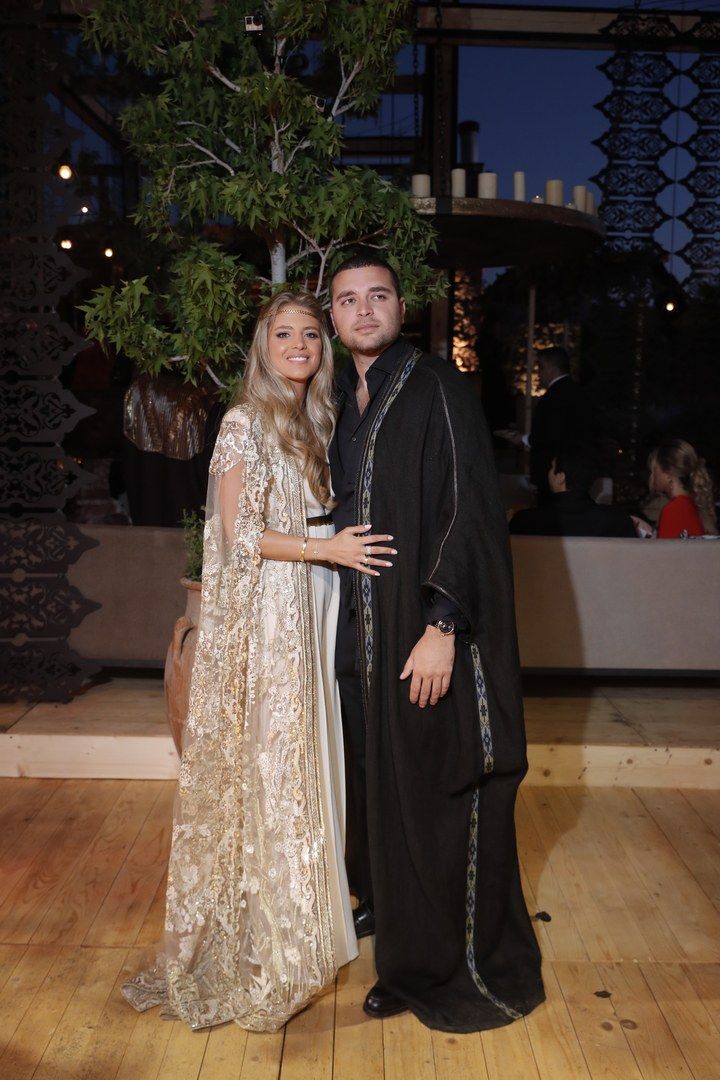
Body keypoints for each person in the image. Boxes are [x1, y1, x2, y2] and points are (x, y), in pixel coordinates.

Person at [122, 290, 398, 1032]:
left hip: (319, 595)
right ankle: (266, 938)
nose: (301, 344)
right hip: (281, 603)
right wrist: (326, 549)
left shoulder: (318, 418)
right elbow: (237, 533)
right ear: (263, 345)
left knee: (311, 761)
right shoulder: (243, 422)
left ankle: (308, 925)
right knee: (275, 764)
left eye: (312, 333)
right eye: (286, 333)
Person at [328, 253, 544, 1032]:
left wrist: (444, 626)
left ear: (399, 306)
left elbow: (470, 509)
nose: (363, 310)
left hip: (417, 633)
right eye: (348, 299)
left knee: (427, 799)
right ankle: (387, 909)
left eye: (376, 296)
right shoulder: (338, 399)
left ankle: (427, 967)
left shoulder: (434, 385)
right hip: (357, 636)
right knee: (374, 790)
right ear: (333, 317)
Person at [498, 346, 594, 497]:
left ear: (550, 368)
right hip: (575, 470)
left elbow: (550, 434)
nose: (538, 374)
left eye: (539, 368)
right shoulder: (577, 392)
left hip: (554, 472)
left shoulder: (555, 396)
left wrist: (523, 439)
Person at [509, 441, 637, 537]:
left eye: (552, 468)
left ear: (561, 477)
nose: (549, 473)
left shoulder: (525, 522)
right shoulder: (618, 522)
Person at [649, 438, 717, 538]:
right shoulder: (693, 504)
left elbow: (664, 553)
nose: (652, 476)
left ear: (668, 474)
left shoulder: (674, 510)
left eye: (655, 470)